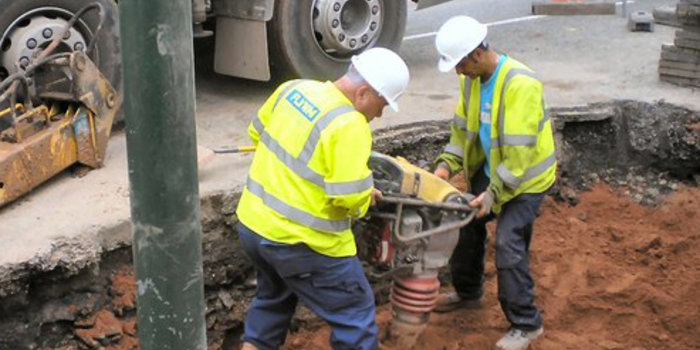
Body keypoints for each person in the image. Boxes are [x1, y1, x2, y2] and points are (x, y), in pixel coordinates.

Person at [236, 47, 410, 350]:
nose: (379, 115)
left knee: (272, 301)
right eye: (381, 105)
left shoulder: (293, 89)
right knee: (354, 313)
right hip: (302, 242)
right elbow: (350, 198)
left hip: (253, 226)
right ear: (363, 93)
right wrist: (366, 196)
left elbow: (257, 134)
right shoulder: (349, 125)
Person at [431, 16, 556, 350]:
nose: (458, 72)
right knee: (466, 221)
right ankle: (469, 292)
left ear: (476, 53)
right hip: (495, 167)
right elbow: (462, 131)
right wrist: (446, 166)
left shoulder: (521, 85)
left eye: (459, 64)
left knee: (507, 243)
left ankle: (527, 325)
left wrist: (492, 195)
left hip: (525, 179)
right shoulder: (470, 81)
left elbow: (517, 159)